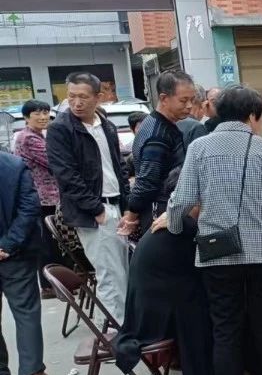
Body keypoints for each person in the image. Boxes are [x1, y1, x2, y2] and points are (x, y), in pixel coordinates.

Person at [167, 86, 262, 375]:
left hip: (217, 253)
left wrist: (175, 228)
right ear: (252, 116)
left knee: (225, 329)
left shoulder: (200, 148)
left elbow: (182, 199)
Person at [115, 166, 216, 375]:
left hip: (146, 308)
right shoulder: (182, 225)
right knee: (214, 310)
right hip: (156, 316)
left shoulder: (171, 220)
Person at [45, 73, 132, 322]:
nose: (76, 102)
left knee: (122, 271)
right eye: (71, 96)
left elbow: (119, 167)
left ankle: (125, 325)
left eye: (83, 96)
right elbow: (66, 176)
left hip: (117, 205)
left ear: (98, 97)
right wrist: (96, 210)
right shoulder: (61, 129)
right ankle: (115, 328)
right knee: (109, 274)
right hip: (94, 212)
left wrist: (128, 206)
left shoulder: (106, 125)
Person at [121, 70, 196, 237]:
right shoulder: (158, 134)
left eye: (192, 100)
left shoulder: (155, 123)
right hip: (160, 211)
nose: (189, 106)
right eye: (183, 100)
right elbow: (147, 182)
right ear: (164, 98)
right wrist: (131, 216)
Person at [0, 149, 49, 375]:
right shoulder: (14, 165)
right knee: (26, 310)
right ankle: (33, 372)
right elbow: (29, 208)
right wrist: (8, 244)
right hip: (16, 253)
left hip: (13, 250)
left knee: (25, 309)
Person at [12, 100, 62, 292]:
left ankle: (54, 283)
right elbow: (54, 161)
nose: (43, 117)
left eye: (46, 113)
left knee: (53, 241)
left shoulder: (38, 135)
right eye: (37, 114)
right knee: (48, 243)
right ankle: (50, 286)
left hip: (49, 197)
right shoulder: (28, 138)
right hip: (42, 198)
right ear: (26, 117)